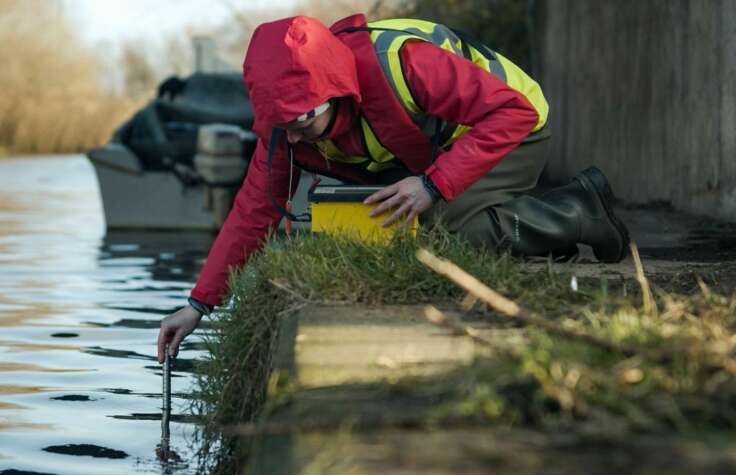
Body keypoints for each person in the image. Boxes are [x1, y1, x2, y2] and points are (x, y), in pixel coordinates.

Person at [156, 13, 630, 363]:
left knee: (445, 233)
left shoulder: (402, 64)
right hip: (455, 146)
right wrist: (199, 305)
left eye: (303, 119)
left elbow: (512, 113)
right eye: (281, 123)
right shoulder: (287, 127)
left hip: (511, 126)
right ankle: (536, 225)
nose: (293, 135)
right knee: (417, 229)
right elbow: (255, 209)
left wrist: (432, 184)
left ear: (334, 90)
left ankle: (579, 210)